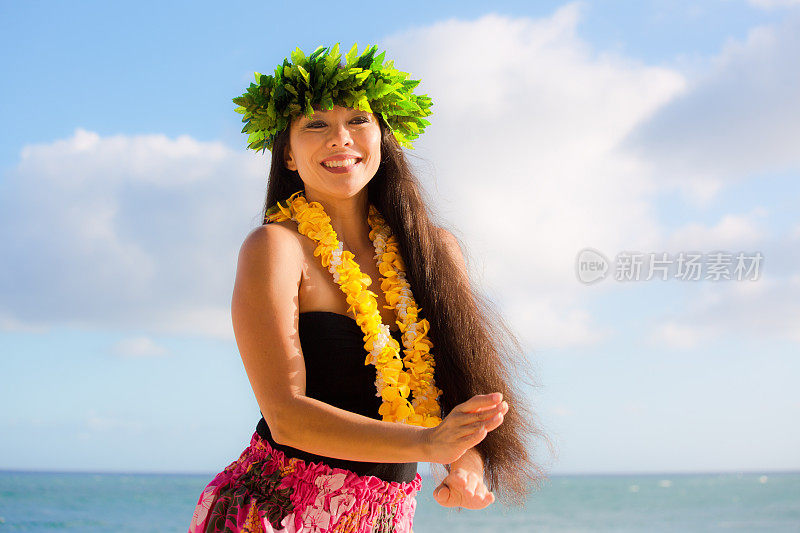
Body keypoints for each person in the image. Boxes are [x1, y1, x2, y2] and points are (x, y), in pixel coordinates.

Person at [188, 43, 552, 533]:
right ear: (289, 156)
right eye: (315, 125)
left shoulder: (431, 252)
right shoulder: (276, 248)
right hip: (271, 516)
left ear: (384, 137)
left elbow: (460, 397)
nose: (340, 138)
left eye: (358, 119)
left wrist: (465, 467)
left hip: (381, 519)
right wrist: (428, 444)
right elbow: (286, 418)